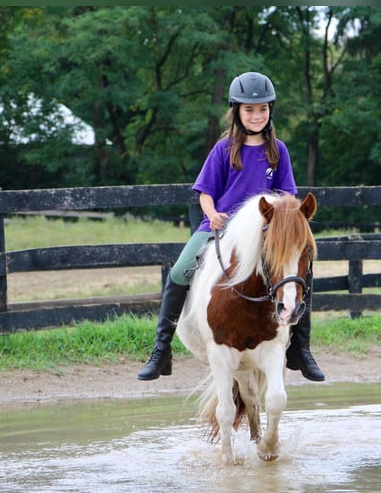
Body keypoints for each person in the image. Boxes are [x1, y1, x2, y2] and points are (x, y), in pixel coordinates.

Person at [137, 71, 325, 383]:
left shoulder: (279, 151)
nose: (256, 115)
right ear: (236, 111)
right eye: (249, 109)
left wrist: (285, 223)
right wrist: (211, 215)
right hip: (219, 227)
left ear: (270, 111)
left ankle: (300, 349)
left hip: (264, 232)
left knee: (301, 272)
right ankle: (161, 350)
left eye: (263, 109)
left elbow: (288, 197)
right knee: (179, 272)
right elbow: (206, 194)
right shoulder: (223, 149)